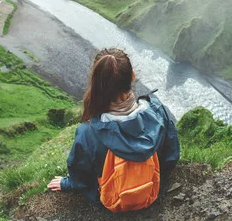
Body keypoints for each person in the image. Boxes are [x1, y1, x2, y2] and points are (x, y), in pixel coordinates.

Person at [47, 48, 180, 212]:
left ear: (96, 82)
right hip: (152, 184)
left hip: (111, 197)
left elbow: (81, 174)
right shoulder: (158, 112)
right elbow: (171, 155)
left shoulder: (87, 132)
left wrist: (67, 183)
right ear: (132, 76)